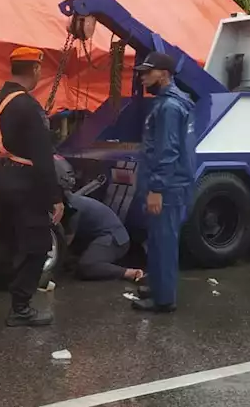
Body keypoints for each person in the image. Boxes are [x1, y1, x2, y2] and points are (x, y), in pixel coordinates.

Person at [0, 46, 64, 327]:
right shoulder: (29, 107)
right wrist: (54, 197)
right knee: (38, 246)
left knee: (6, 241)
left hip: (1, 180)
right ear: (35, 69)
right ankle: (21, 307)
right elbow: (43, 156)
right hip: (26, 184)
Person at [131, 51, 195, 313]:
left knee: (163, 241)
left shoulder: (169, 107)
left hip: (167, 188)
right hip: (170, 184)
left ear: (165, 74)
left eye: (148, 72)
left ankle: (164, 299)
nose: (142, 77)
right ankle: (158, 286)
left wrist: (156, 188)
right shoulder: (173, 103)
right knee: (158, 239)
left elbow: (168, 151)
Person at [54, 157, 142, 283]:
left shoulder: (72, 206)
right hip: (98, 236)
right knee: (71, 264)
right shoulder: (69, 201)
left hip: (114, 238)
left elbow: (66, 241)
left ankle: (129, 273)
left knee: (87, 266)